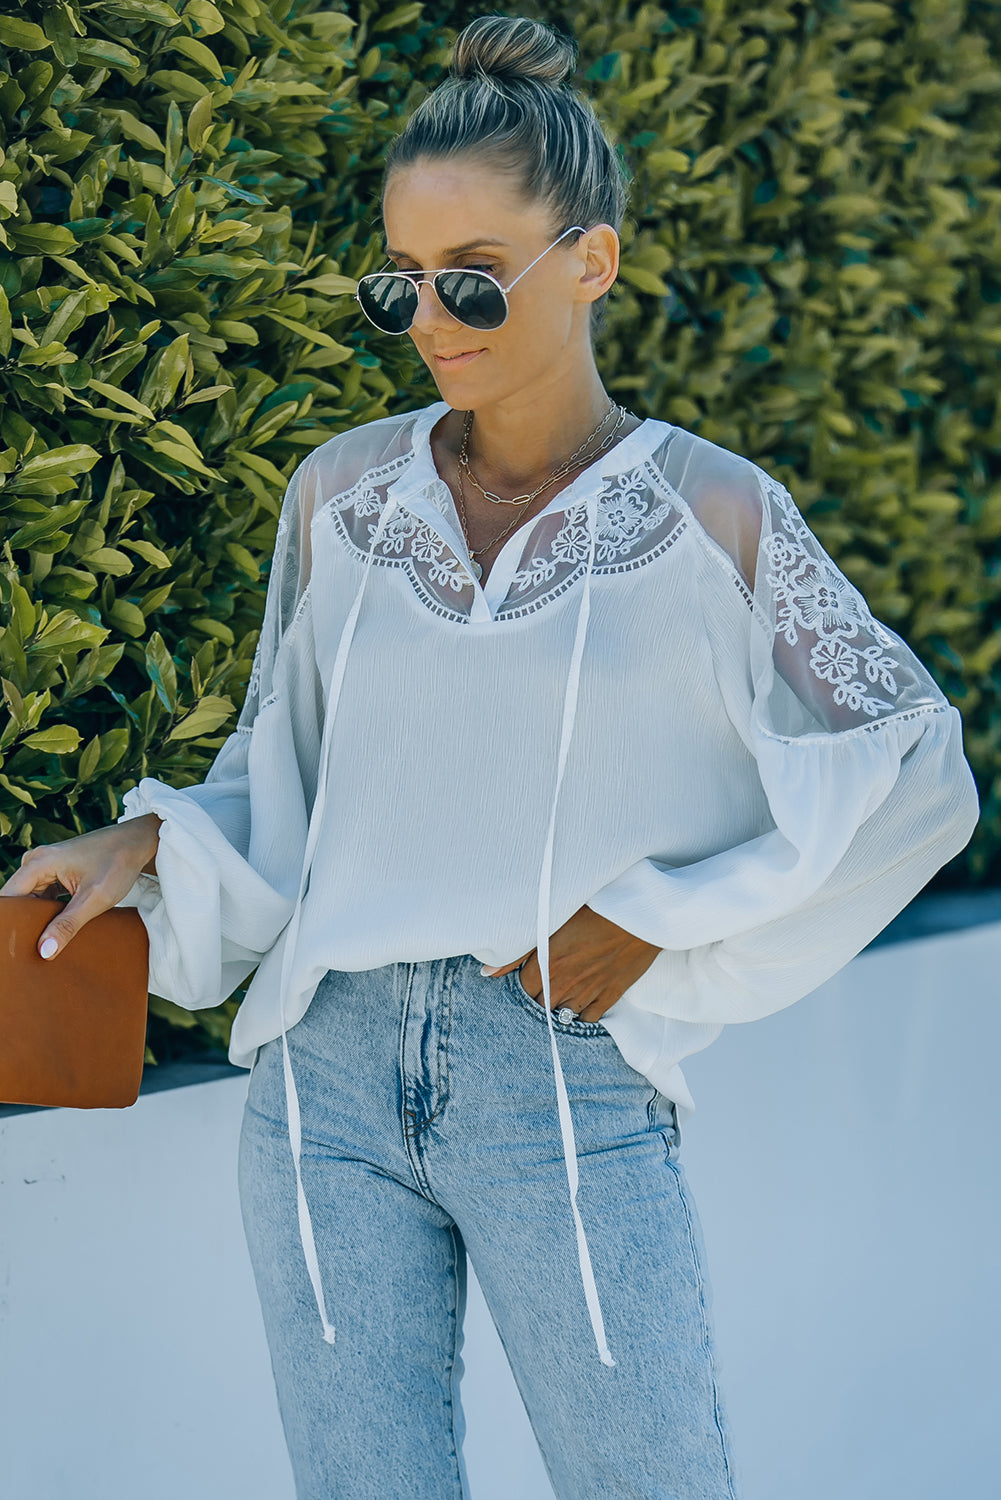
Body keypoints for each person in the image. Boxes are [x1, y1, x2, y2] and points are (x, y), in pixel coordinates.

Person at [2, 14, 980, 1499]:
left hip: (562, 1079)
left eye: (471, 279)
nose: (431, 320)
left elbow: (910, 773)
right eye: (397, 284)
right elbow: (290, 775)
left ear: (590, 260)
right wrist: (146, 841)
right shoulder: (340, 495)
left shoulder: (714, 515)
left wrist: (661, 919)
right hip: (317, 1083)